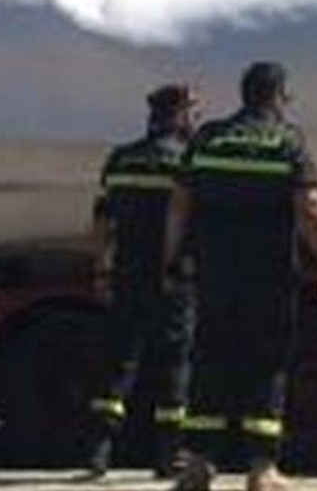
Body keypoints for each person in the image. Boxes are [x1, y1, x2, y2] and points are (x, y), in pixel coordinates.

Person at [166, 63, 317, 491]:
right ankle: (262, 469)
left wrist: (169, 259)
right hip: (270, 275)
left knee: (210, 360)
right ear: (278, 96)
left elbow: (178, 204)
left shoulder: (207, 137)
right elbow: (310, 208)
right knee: (267, 363)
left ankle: (199, 463)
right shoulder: (287, 140)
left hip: (214, 273)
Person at [87, 84, 198, 479]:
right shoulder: (185, 161)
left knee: (119, 361)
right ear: (181, 114)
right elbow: (179, 218)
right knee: (173, 364)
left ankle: (99, 451)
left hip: (125, 273)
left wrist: (101, 269)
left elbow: (103, 222)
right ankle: (167, 456)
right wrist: (171, 266)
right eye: (191, 112)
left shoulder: (120, 158)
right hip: (171, 277)